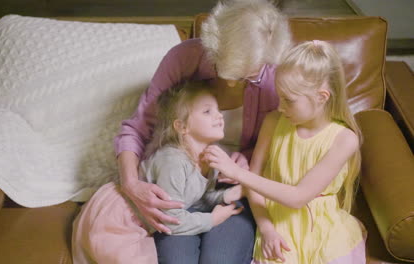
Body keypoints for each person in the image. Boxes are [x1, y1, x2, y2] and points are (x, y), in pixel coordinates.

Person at [114, 0, 291, 262]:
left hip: (232, 189)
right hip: (179, 184)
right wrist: (131, 183)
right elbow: (136, 129)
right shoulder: (183, 58)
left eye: (244, 76)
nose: (230, 83)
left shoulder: (275, 78)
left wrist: (247, 162)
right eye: (222, 68)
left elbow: (284, 143)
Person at [203, 40, 366, 263]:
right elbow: (255, 186)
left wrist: (236, 172)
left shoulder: (344, 140)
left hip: (321, 230)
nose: (280, 107)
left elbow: (298, 197)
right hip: (276, 223)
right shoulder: (273, 122)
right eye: (280, 97)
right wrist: (267, 229)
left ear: (322, 97)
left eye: (289, 100)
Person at [72, 81, 244, 264]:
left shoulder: (211, 159)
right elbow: (171, 219)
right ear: (182, 126)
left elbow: (191, 200)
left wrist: (225, 196)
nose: (219, 116)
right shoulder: (173, 161)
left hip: (145, 222)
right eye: (207, 111)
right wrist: (212, 220)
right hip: (119, 217)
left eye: (218, 110)